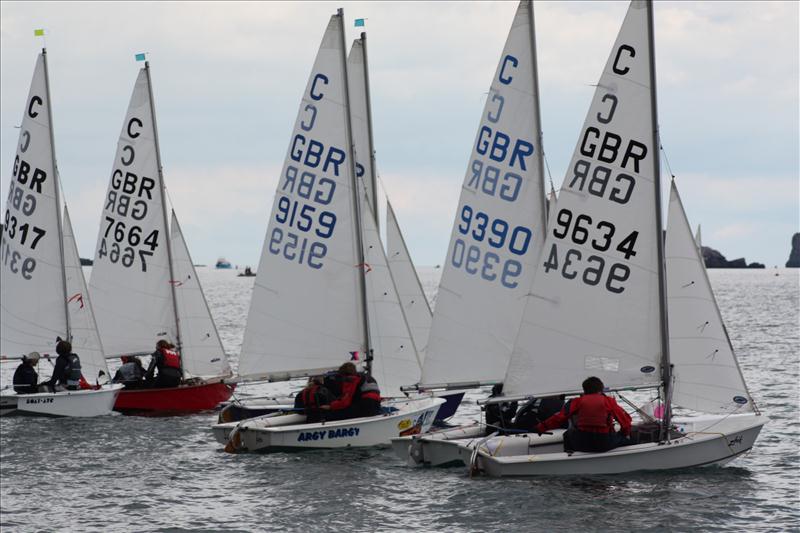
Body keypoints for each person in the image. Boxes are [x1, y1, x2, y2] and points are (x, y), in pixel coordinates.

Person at [534, 376, 631, 453]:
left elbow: (558, 418)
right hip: (604, 444)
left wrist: (540, 428)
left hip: (582, 443)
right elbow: (626, 423)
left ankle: (569, 454)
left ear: (584, 390)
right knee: (629, 441)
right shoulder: (609, 402)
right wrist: (623, 434)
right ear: (601, 389)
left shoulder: (576, 402)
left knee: (567, 434)